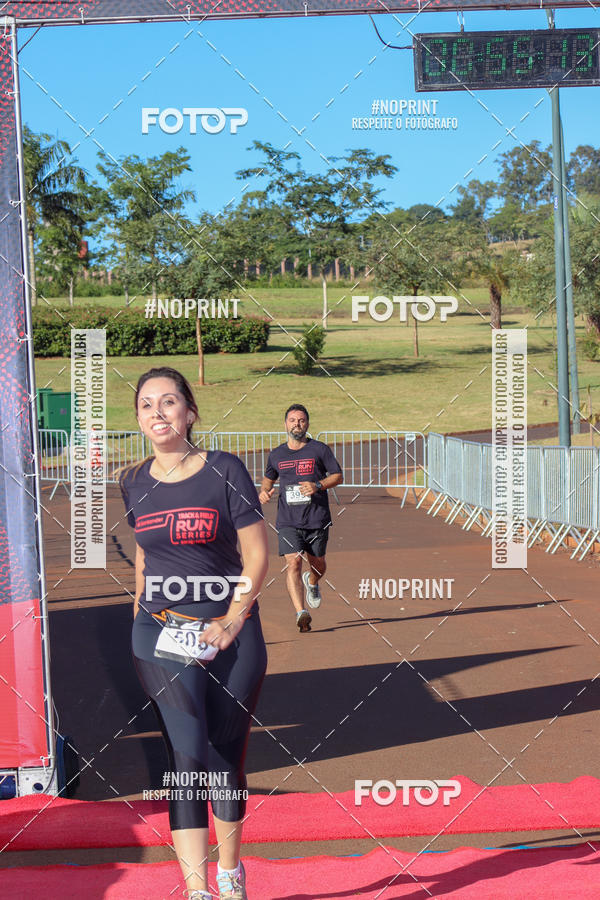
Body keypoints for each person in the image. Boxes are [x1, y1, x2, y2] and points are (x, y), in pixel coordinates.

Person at [119, 366, 268, 900]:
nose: (157, 413)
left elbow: (255, 552)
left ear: (190, 412)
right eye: (146, 405)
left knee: (227, 758)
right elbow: (144, 555)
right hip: (159, 635)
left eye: (168, 402)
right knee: (186, 758)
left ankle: (230, 871)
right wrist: (141, 614)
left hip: (231, 633)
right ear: (138, 419)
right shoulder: (132, 479)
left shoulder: (225, 469)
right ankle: (198, 890)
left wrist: (231, 619)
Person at [259, 404, 342, 633]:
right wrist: (265, 492)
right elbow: (268, 480)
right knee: (293, 562)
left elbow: (337, 475)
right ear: (285, 424)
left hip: (316, 518)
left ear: (307, 424)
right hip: (288, 520)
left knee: (318, 564)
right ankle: (300, 612)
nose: (297, 424)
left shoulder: (319, 450)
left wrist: (317, 485)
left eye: (302, 420)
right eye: (293, 420)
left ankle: (313, 582)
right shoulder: (276, 454)